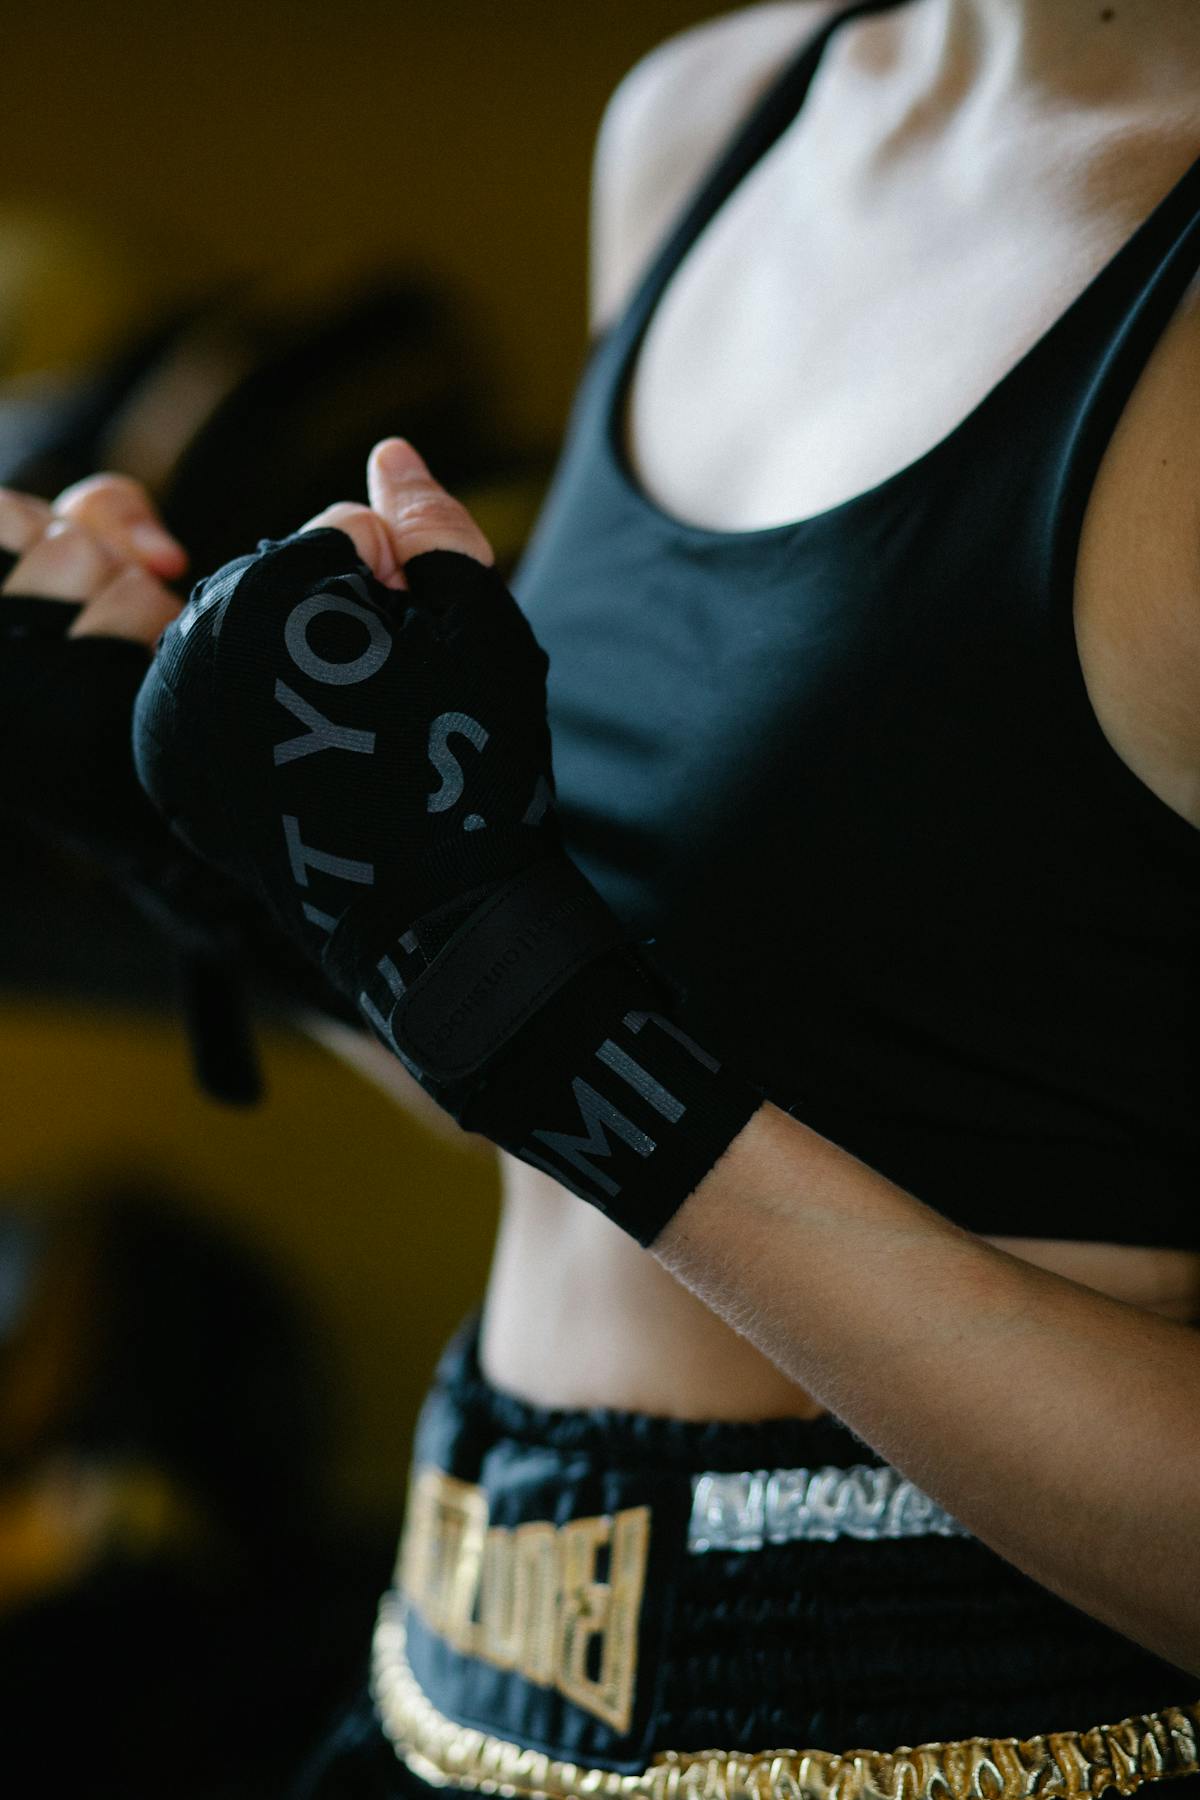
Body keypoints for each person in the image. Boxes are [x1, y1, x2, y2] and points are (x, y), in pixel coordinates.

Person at [2, 2, 1199, 1796]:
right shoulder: (707, 123)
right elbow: (620, 1110)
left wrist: (527, 1004)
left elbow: (594, 1072)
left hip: (968, 1732)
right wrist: (225, 844)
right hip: (448, 1676)